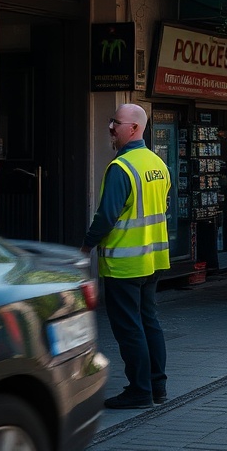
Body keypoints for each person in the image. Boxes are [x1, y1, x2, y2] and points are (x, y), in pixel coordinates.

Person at [81, 104, 170, 410]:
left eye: (115, 123)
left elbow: (106, 217)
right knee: (149, 322)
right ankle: (157, 386)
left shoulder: (122, 168)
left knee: (129, 328)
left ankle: (139, 391)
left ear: (133, 128)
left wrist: (86, 246)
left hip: (125, 262)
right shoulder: (158, 164)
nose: (111, 128)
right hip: (153, 260)